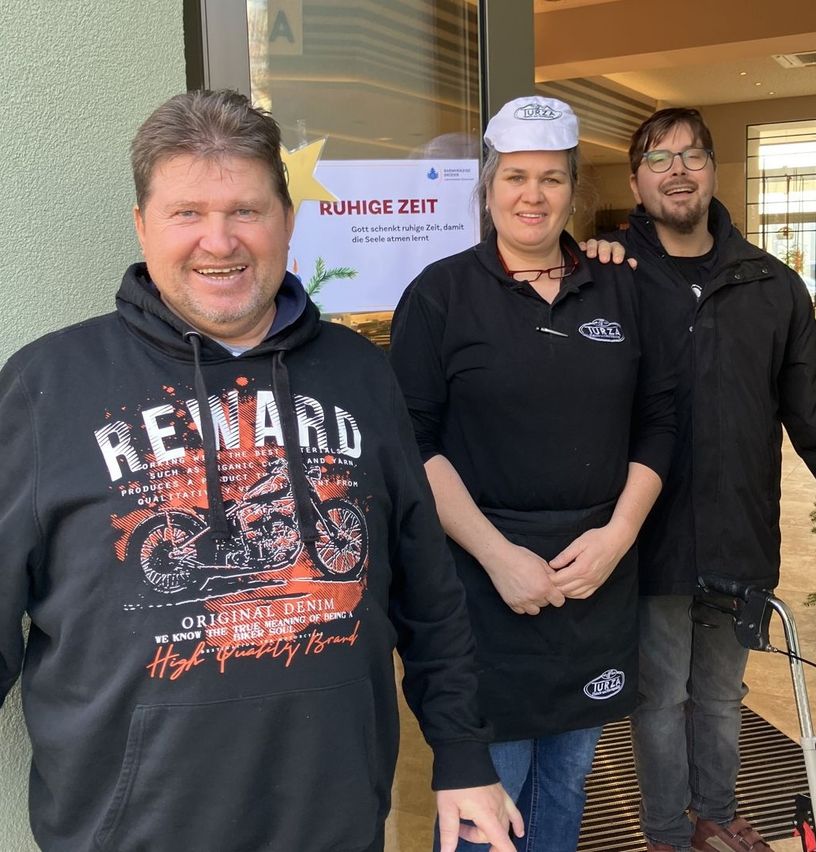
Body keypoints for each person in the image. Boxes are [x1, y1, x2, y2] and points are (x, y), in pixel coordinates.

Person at [0, 89, 523, 852]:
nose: (220, 241)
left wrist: (463, 755)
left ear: (287, 220)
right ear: (143, 225)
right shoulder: (48, 383)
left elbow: (427, 587)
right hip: (126, 832)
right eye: (187, 213)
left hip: (335, 818)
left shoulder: (359, 373)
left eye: (246, 210)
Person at [389, 96, 675, 851]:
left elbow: (661, 423)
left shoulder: (623, 287)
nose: (532, 195)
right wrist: (495, 555)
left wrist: (616, 538)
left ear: (574, 188)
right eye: (515, 176)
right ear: (488, 188)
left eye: (551, 178)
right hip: (485, 581)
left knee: (568, 783)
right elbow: (413, 443)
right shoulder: (440, 295)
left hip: (595, 576)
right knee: (492, 799)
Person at [613, 107, 816, 852]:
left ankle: (715, 812)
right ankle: (663, 832)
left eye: (691, 154)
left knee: (719, 694)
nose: (677, 169)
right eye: (659, 157)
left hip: (737, 530)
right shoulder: (607, 277)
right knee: (659, 697)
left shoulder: (771, 286)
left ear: (714, 171)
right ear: (636, 180)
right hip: (645, 537)